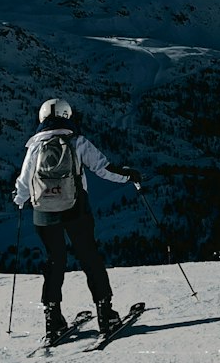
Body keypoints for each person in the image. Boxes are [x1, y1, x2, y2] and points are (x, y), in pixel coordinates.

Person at [13, 98, 140, 339]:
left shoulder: (34, 146)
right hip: (76, 210)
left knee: (54, 262)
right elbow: (104, 168)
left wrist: (19, 200)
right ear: (67, 115)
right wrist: (129, 176)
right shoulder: (77, 141)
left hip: (43, 213)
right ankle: (105, 315)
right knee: (89, 257)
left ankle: (53, 319)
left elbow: (23, 182)